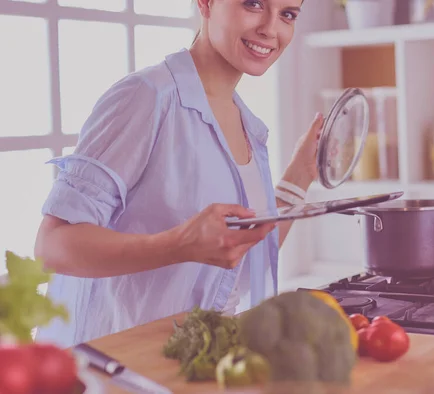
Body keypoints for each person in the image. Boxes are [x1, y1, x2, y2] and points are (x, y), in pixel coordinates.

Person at [33, 0, 322, 348]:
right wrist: (179, 244)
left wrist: (299, 176)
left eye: (287, 14)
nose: (271, 29)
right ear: (206, 3)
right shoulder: (147, 96)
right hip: (121, 368)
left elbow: (241, 259)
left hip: (196, 364)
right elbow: (52, 247)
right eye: (253, 4)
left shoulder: (247, 125)